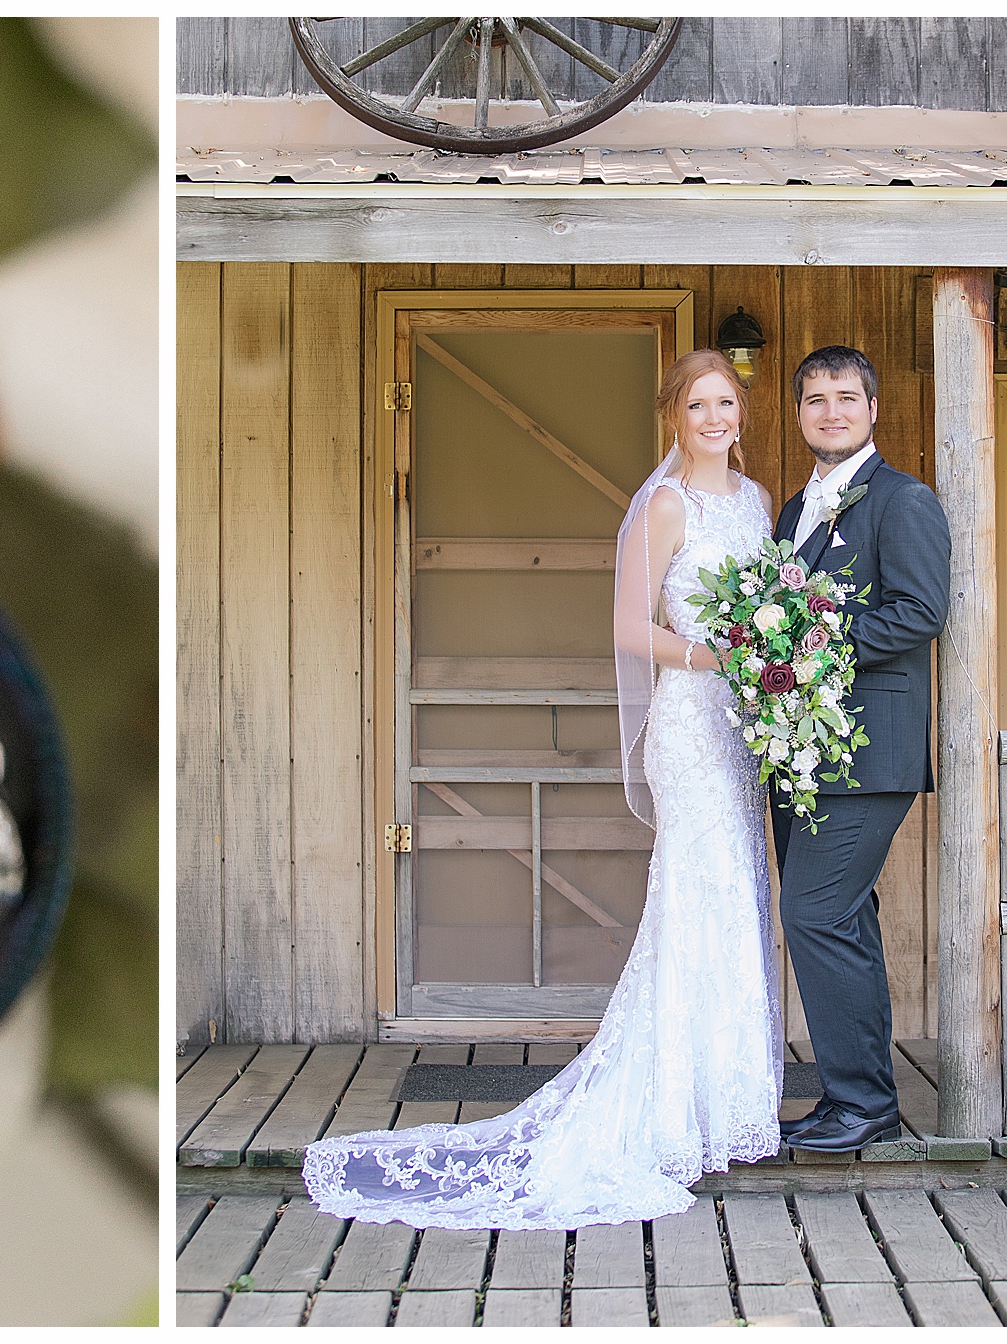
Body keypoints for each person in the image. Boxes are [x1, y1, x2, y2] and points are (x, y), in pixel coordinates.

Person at [302, 350, 781, 1230]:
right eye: (698, 404)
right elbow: (629, 629)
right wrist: (724, 658)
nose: (716, 418)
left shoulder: (752, 504)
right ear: (673, 415)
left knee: (736, 895)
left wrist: (769, 667)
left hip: (743, 727)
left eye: (727, 402)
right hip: (690, 721)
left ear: (740, 411)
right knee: (697, 895)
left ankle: (727, 1105)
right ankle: (671, 1112)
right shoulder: (665, 505)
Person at [772, 346, 948, 1153]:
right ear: (800, 413)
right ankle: (863, 1097)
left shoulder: (902, 501)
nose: (831, 411)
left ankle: (862, 1104)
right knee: (841, 921)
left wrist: (814, 636)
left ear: (874, 409)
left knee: (813, 914)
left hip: (869, 752)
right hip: (803, 756)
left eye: (846, 397)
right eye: (815, 399)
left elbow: (919, 613)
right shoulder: (792, 510)